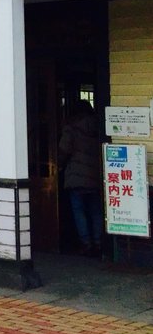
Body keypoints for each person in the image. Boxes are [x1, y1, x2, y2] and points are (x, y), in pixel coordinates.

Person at [58, 101, 103, 257]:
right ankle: (98, 242)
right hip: (96, 175)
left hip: (76, 176)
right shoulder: (98, 126)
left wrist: (58, 165)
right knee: (95, 210)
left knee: (79, 211)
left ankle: (86, 244)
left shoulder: (71, 128)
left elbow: (64, 150)